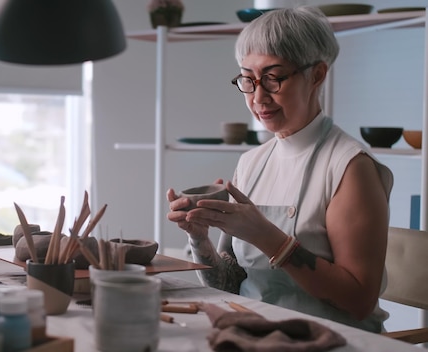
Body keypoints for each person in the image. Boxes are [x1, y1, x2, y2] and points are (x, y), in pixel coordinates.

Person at [166, 6, 393, 333]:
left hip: (334, 340)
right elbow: (231, 284)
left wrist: (266, 235)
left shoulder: (349, 167)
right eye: (248, 79)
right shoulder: (252, 162)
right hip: (258, 334)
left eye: (273, 78)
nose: (258, 96)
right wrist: (199, 237)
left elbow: (358, 302)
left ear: (316, 75)